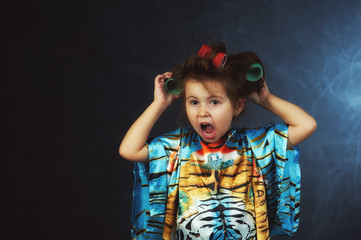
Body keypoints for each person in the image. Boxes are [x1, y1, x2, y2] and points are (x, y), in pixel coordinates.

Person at [119, 42, 317, 240]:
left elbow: (306, 125)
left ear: (238, 105)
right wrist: (159, 104)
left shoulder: (254, 145)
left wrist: (265, 99)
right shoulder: (177, 147)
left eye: (214, 102)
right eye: (194, 102)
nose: (202, 112)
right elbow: (129, 150)